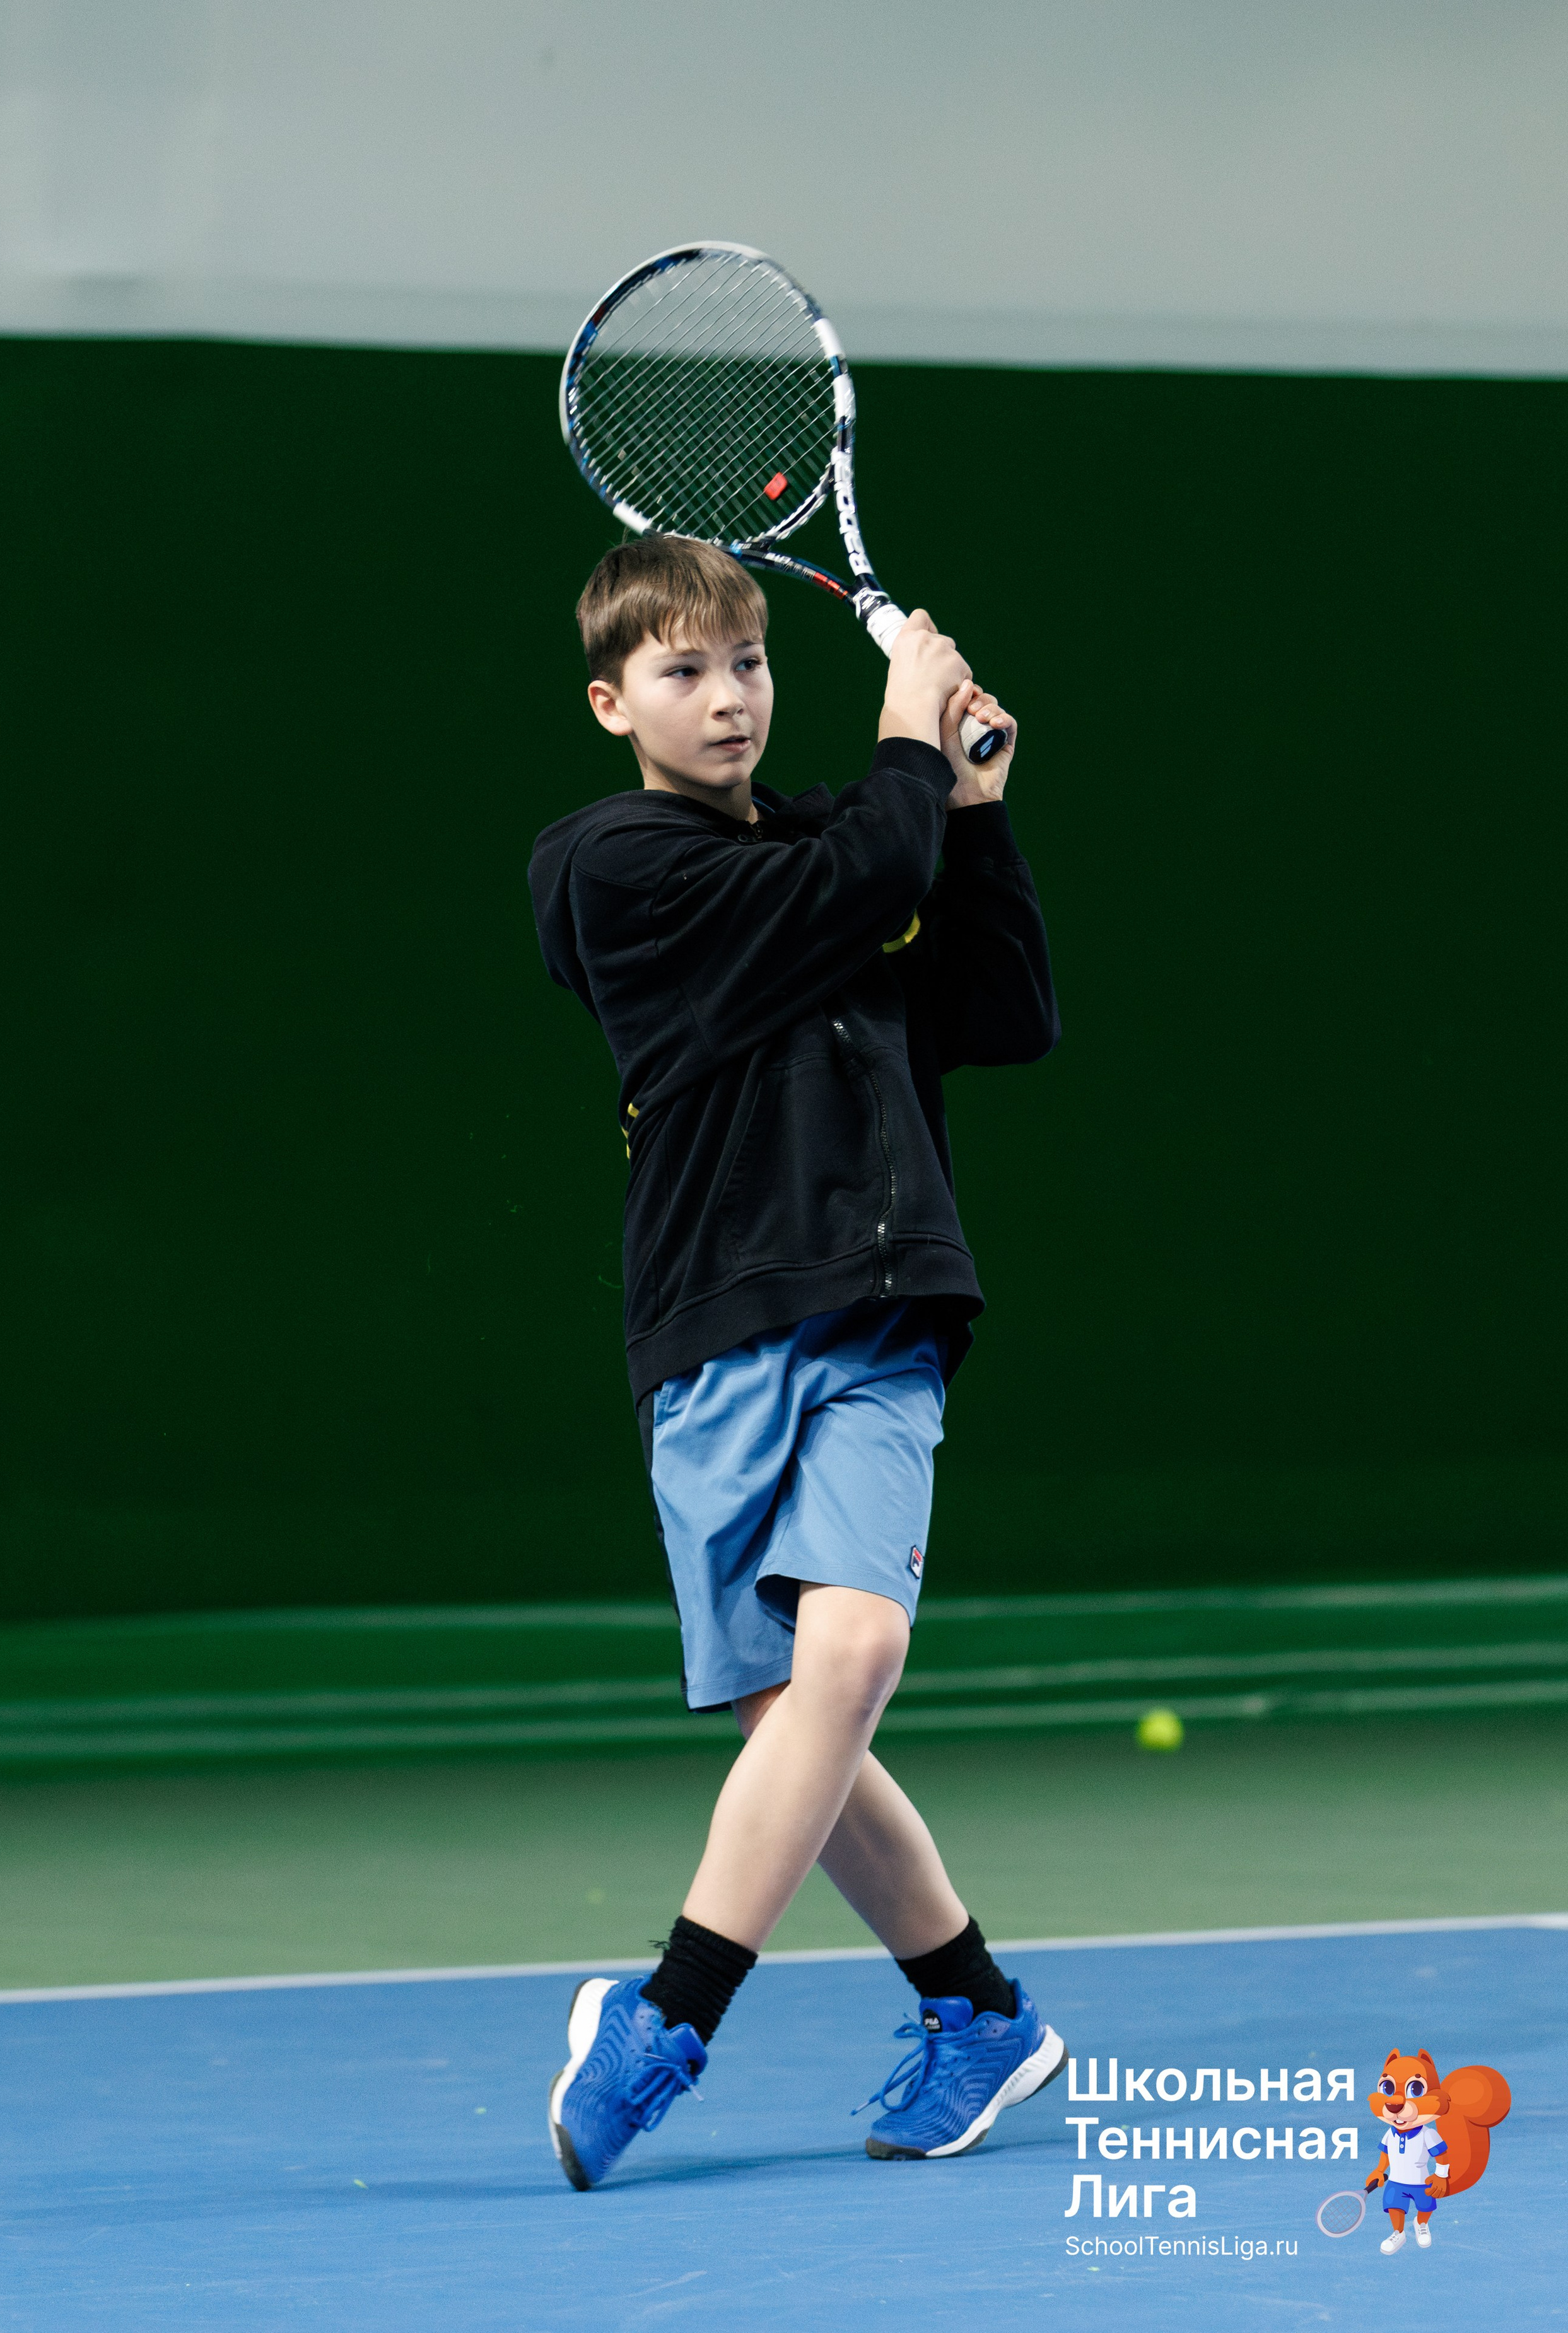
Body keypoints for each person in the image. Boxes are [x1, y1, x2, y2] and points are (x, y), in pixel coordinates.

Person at [527, 534, 1063, 2190]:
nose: (730, 697)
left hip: (880, 1306)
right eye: (685, 673)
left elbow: (1009, 1007)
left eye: (750, 663)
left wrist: (972, 815)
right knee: (790, 1720)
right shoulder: (608, 864)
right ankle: (975, 2011)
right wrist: (912, 748)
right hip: (709, 1327)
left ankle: (671, 2022)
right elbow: (851, 890)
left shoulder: (864, 839)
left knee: (844, 1667)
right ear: (614, 702)